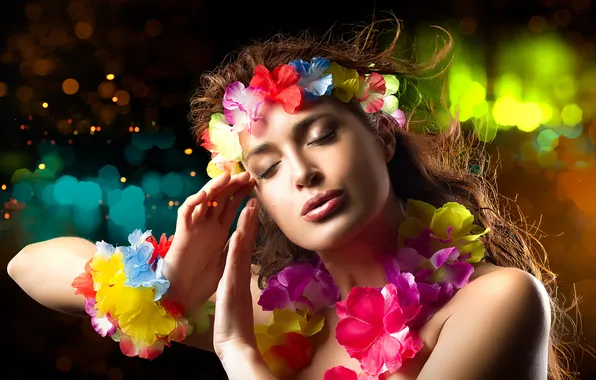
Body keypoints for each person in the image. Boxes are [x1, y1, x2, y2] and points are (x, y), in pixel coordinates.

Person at [8, 20, 574, 380]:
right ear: (254, 194)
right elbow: (28, 263)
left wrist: (241, 357)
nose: (302, 173)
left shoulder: (495, 303)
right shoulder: (274, 311)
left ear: (380, 137)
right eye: (269, 167)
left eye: (323, 136)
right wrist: (166, 287)